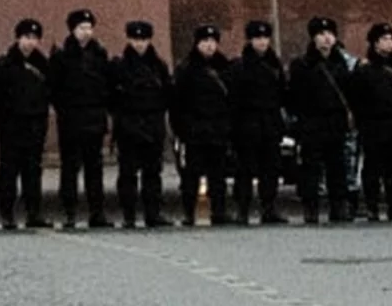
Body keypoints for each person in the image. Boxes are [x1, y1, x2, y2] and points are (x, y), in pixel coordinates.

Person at [50, 8, 113, 228]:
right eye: (81, 28)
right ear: (72, 30)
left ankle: (97, 212)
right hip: (71, 120)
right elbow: (55, 90)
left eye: (89, 28)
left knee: (95, 168)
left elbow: (108, 86)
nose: (86, 32)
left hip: (94, 119)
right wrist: (66, 111)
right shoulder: (61, 56)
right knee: (70, 168)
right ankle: (70, 211)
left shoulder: (100, 54)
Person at [290, 16, 355, 223]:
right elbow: (295, 96)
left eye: (330, 34)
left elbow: (351, 93)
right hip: (312, 123)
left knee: (337, 166)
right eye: (321, 34)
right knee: (311, 167)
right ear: (313, 38)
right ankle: (311, 207)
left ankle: (339, 205)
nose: (326, 39)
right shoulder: (302, 65)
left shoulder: (342, 64)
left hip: (336, 123)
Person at [108, 20, 173, 228]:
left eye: (143, 39)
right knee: (128, 174)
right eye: (136, 39)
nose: (140, 44)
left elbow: (168, 95)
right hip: (128, 126)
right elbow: (111, 98)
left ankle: (152, 213)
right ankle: (129, 214)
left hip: (153, 125)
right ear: (129, 39)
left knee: (153, 173)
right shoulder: (119, 66)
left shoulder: (159, 65)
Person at [172, 24, 235, 227]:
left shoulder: (225, 68)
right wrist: (181, 130)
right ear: (197, 44)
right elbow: (176, 103)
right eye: (205, 42)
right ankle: (189, 213)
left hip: (218, 129)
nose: (209, 46)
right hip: (195, 131)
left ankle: (219, 211)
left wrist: (228, 127)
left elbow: (233, 100)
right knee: (191, 175)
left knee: (218, 175)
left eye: (212, 42)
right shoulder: (186, 69)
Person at [0, 19, 51, 229]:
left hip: (35, 125)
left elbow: (49, 94)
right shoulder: (3, 65)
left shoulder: (43, 65)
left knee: (33, 171)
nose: (30, 42)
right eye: (26, 37)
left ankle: (33, 212)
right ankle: (7, 213)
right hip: (11, 126)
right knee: (9, 170)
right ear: (18, 38)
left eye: (34, 38)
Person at [230, 20, 289, 224]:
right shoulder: (240, 66)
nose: (262, 42)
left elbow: (283, 93)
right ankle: (242, 209)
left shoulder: (275, 64)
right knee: (245, 170)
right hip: (247, 124)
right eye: (258, 38)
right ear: (250, 40)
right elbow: (234, 98)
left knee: (270, 169)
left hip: (270, 123)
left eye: (265, 38)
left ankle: (269, 207)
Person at [350, 22, 392, 222]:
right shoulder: (365, 70)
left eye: (391, 39)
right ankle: (372, 205)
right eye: (384, 39)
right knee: (372, 168)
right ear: (375, 43)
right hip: (373, 125)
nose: (389, 43)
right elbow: (356, 99)